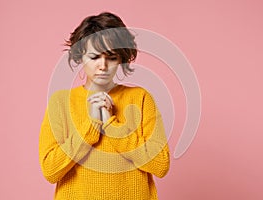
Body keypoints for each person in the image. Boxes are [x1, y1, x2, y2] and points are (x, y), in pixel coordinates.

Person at [39, 12, 170, 200]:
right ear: (80, 57)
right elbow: (50, 170)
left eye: (111, 57)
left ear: (121, 59)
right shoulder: (61, 102)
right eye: (94, 57)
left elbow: (160, 165)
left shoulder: (140, 98)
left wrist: (111, 125)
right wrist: (91, 126)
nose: (103, 66)